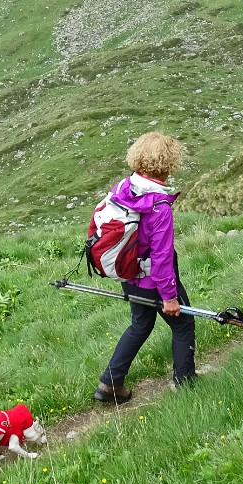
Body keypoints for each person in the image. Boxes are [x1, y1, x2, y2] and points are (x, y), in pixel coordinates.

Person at [94, 132, 196, 404]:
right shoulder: (159, 205)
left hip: (129, 274)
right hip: (153, 279)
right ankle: (185, 384)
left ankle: (109, 384)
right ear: (168, 163)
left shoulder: (125, 188)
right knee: (183, 324)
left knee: (141, 324)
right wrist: (170, 297)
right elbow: (162, 257)